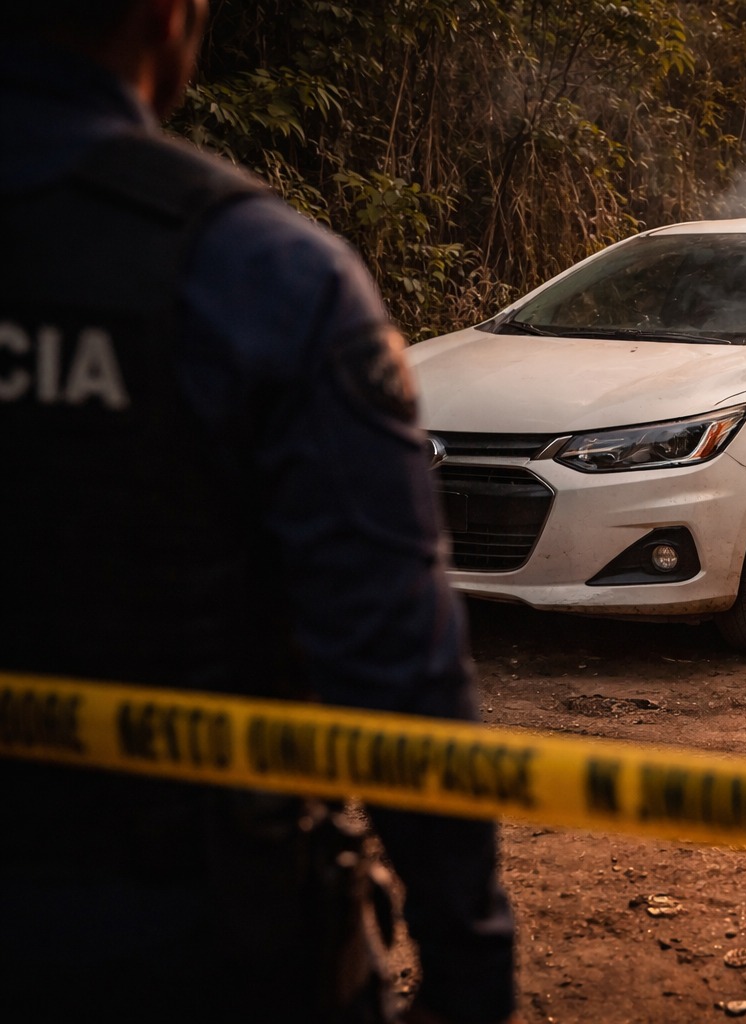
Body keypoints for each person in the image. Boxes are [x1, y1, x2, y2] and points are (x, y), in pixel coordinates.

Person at [0, 2, 517, 1021]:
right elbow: (395, 673)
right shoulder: (261, 278)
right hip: (180, 938)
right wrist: (469, 959)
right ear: (167, 17)